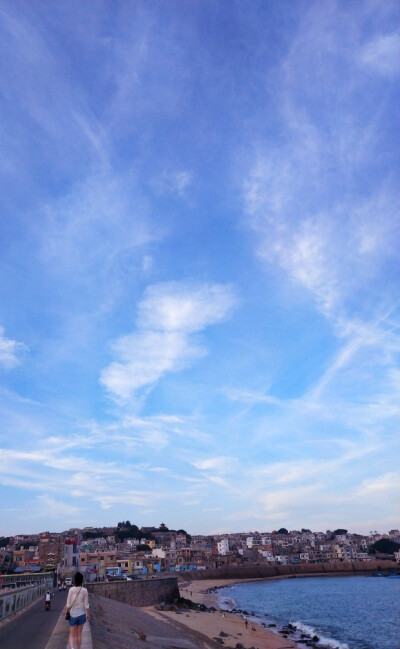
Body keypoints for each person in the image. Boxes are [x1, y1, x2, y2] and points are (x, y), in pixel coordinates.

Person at [65, 572, 90, 649]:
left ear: (74, 581)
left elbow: (68, 604)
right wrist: (88, 614)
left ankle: (72, 648)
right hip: (82, 614)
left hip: (72, 615)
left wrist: (66, 613)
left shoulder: (71, 590)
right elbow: (86, 605)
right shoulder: (85, 590)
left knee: (72, 634)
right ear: (82, 580)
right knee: (79, 634)